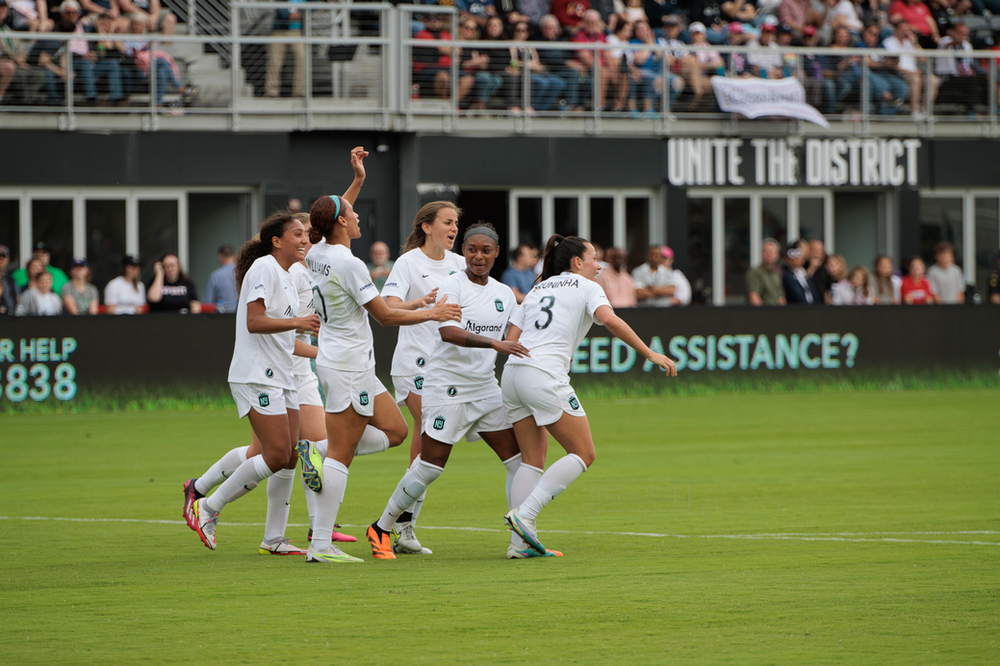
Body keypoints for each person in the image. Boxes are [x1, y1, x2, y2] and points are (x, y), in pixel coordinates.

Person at [298, 182, 462, 565]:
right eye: (352, 215)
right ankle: (320, 544)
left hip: (349, 363)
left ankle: (315, 450)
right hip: (348, 365)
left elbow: (333, 212)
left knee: (397, 431)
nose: (358, 217)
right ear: (340, 222)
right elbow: (385, 316)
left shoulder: (318, 250)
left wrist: (356, 181)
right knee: (344, 453)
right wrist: (432, 312)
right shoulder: (349, 263)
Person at [366, 222, 539, 560]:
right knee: (430, 466)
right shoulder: (451, 285)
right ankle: (382, 527)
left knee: (519, 462)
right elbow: (448, 332)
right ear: (464, 252)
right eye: (471, 249)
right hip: (447, 388)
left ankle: (522, 540)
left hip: (486, 389)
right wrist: (494, 342)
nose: (478, 256)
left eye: (485, 250)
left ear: (496, 254)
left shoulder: (504, 293)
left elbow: (517, 336)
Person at [501, 234, 677, 556]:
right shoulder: (587, 286)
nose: (600, 265)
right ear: (577, 262)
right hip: (541, 375)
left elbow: (511, 338)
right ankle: (525, 515)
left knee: (532, 460)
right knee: (584, 453)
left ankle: (519, 544)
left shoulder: (539, 287)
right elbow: (610, 320)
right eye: (595, 258)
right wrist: (649, 353)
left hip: (512, 374)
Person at [188, 212, 322, 552]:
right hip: (257, 375)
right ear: (277, 241)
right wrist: (299, 320)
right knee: (276, 454)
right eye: (297, 234)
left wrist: (325, 354)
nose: (305, 239)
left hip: (281, 375)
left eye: (305, 235)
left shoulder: (289, 275)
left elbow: (285, 340)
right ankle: (207, 506)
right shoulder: (264, 267)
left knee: (289, 455)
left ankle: (274, 538)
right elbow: (254, 321)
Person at [379, 201, 467, 555]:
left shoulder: (460, 264)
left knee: (429, 443)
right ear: (427, 226)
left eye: (456, 223)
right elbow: (388, 307)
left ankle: (400, 525)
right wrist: (424, 306)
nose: (454, 228)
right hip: (413, 364)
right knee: (428, 434)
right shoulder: (409, 262)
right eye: (448, 222)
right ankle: (399, 526)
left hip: (446, 367)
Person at [264, 0, 306, 98]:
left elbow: (314, 3)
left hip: (296, 31)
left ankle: (299, 91)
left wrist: (301, 13)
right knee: (275, 60)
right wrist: (289, 14)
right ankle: (271, 92)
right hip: (279, 30)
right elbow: (279, 5)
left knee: (302, 57)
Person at [746, 238, 786, 305]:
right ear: (761, 254)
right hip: (763, 312)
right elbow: (754, 296)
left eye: (771, 252)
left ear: (777, 255)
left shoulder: (776, 273)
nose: (769, 254)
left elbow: (781, 296)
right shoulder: (755, 272)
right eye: (766, 251)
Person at [202, 243, 238, 313]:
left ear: (220, 256)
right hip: (240, 317)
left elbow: (208, 303)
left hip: (221, 318)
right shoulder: (242, 273)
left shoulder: (215, 276)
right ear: (234, 256)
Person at [782, 239, 820, 304]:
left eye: (799, 256)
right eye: (793, 257)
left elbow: (813, 292)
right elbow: (796, 295)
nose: (796, 259)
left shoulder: (804, 273)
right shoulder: (788, 275)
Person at [806, 239, 832, 304]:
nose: (816, 254)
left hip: (821, 305)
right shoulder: (803, 266)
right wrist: (812, 268)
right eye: (813, 250)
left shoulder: (824, 268)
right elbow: (804, 282)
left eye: (819, 251)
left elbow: (827, 289)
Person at [0, 244, 16, 315]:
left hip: (9, 318)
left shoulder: (11, 279)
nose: (0, 261)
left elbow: (15, 299)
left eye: (2, 258)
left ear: (7, 259)